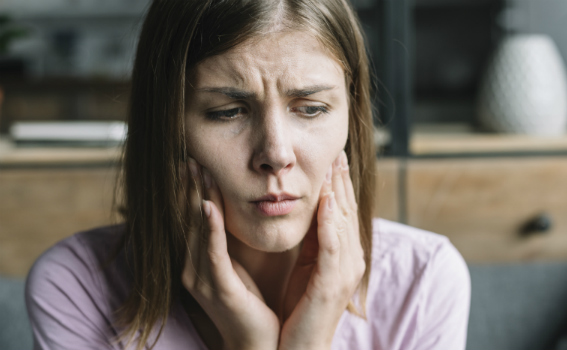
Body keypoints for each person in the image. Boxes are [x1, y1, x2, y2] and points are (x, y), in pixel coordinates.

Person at [24, 0, 471, 349]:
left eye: (311, 109)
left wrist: (310, 343)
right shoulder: (78, 286)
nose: (275, 154)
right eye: (227, 112)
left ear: (350, 121)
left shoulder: (423, 280)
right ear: (168, 128)